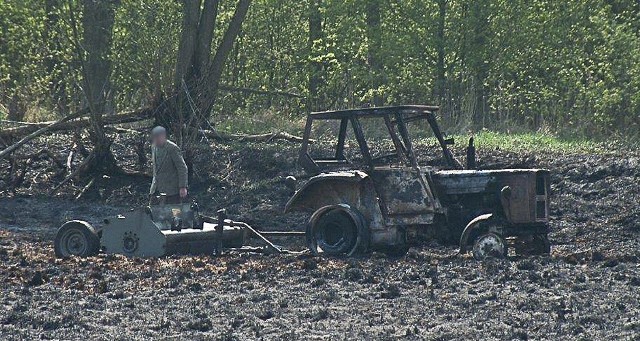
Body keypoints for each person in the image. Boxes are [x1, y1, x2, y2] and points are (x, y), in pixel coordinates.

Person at [149, 126, 188, 204]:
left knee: (174, 213)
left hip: (172, 190)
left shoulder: (172, 148)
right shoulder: (154, 147)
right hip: (156, 188)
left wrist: (182, 187)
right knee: (153, 213)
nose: (156, 139)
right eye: (154, 137)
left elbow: (182, 168)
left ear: (163, 136)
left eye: (158, 137)